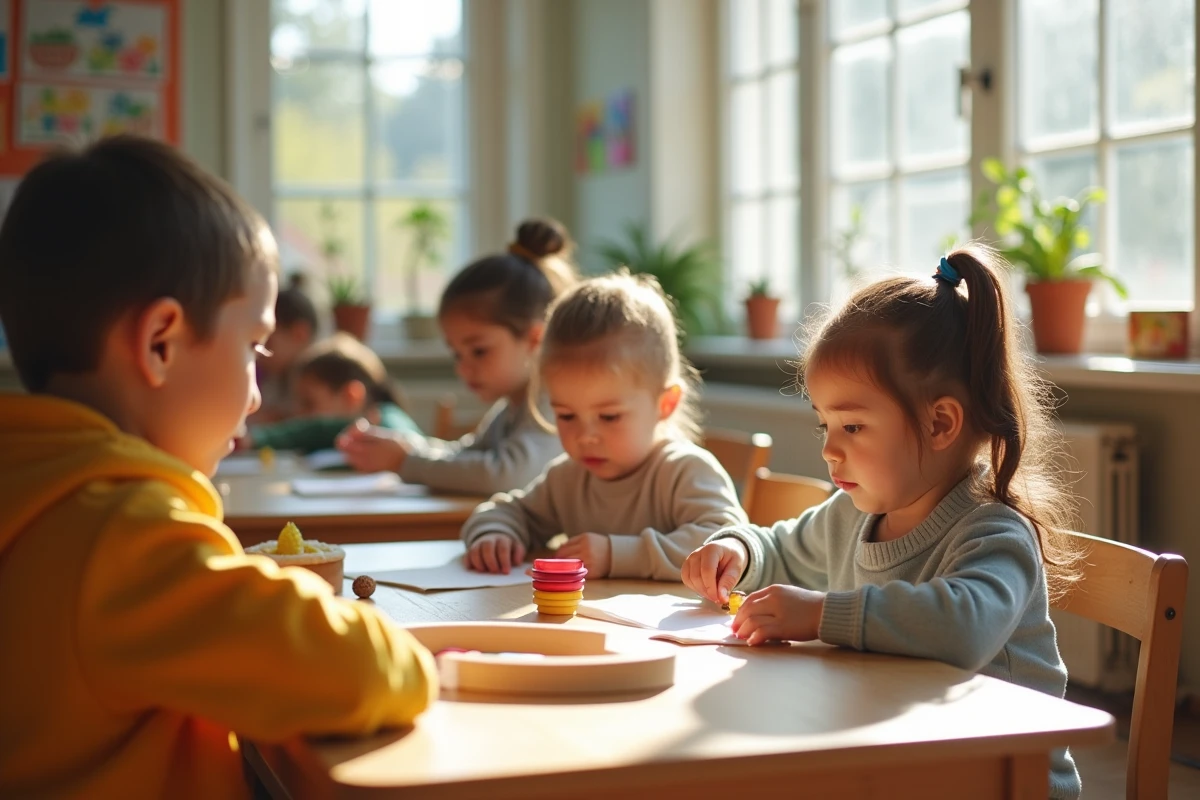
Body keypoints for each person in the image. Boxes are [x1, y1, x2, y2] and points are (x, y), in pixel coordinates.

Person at [0, 136, 437, 799]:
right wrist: (398, 643)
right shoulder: (126, 534)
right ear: (159, 344)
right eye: (254, 350)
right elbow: (363, 675)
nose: (258, 392)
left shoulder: (35, 490)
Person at [682, 247, 1083, 798]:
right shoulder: (854, 513)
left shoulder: (993, 532)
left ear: (940, 422)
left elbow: (962, 627)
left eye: (852, 426)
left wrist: (821, 614)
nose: (828, 449)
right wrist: (738, 551)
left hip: (1006, 780)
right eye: (824, 423)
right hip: (904, 762)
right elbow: (782, 548)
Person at [462, 272, 747, 580]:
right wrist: (494, 535)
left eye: (609, 417)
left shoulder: (685, 471)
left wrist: (617, 554)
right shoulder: (568, 478)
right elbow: (507, 512)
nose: (585, 437)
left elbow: (725, 543)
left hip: (669, 629)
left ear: (664, 404)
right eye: (567, 415)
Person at [337, 218, 571, 495]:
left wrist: (404, 461)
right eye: (457, 354)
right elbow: (465, 454)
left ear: (534, 339)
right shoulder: (510, 409)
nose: (463, 369)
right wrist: (407, 447)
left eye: (479, 351)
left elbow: (506, 476)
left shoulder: (556, 403)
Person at [244, 332, 420, 454]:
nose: (298, 414)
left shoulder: (390, 421)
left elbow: (319, 430)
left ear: (351, 397)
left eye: (309, 403)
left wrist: (257, 439)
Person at [251, 272, 319, 423]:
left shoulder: (318, 382)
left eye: (268, 344)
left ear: (299, 335)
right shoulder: (274, 378)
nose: (259, 353)